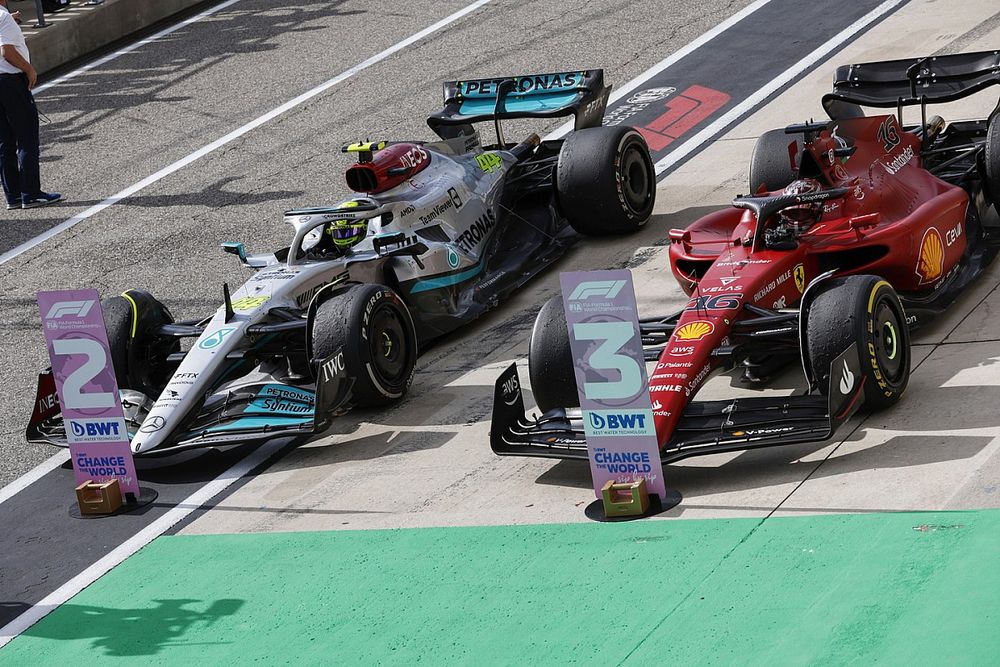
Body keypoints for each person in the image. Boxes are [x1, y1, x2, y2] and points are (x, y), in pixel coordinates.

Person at [0, 0, 61, 210]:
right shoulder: (3, 17)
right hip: (10, 82)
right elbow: (6, 51)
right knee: (27, 138)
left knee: (5, 142)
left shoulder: (6, 19)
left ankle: (13, 195)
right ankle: (31, 193)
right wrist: (29, 69)